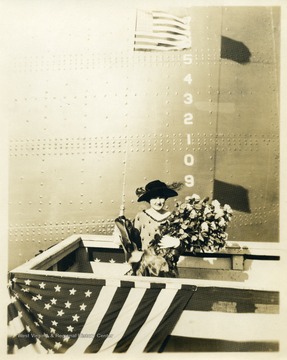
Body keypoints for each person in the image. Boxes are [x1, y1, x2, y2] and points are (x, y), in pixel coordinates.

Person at [115, 180, 182, 277]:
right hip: (146, 268)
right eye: (154, 198)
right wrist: (121, 223)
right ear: (149, 199)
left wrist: (178, 243)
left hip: (167, 269)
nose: (158, 201)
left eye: (161, 197)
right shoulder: (141, 216)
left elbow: (182, 244)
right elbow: (132, 241)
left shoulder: (173, 218)